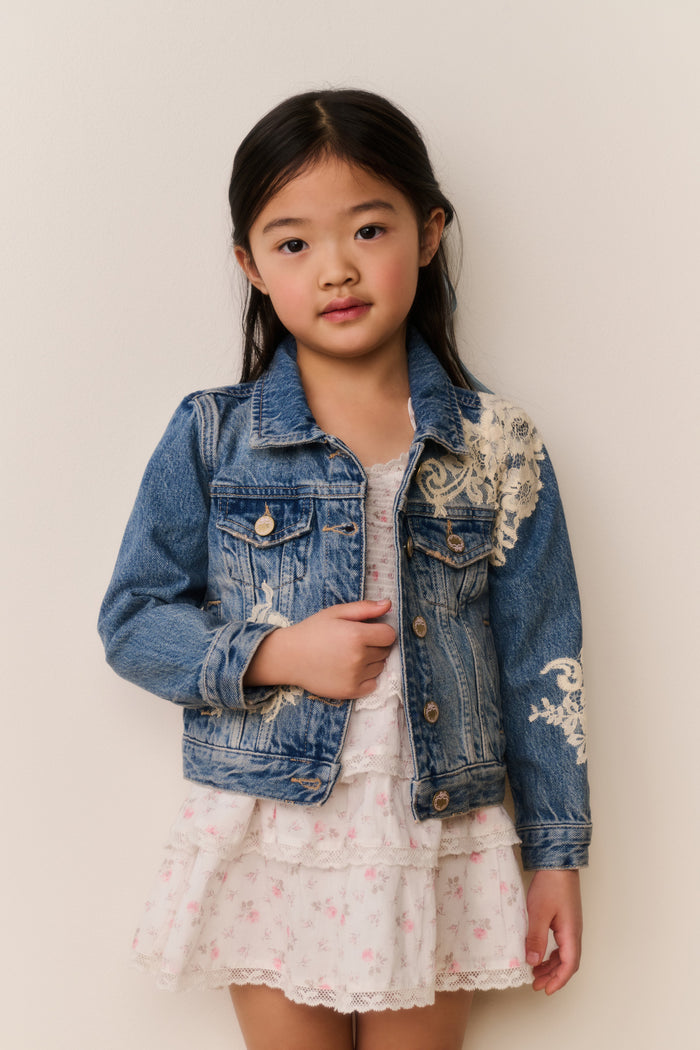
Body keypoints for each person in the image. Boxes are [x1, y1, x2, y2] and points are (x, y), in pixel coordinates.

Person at [98, 89, 591, 1049]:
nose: (336, 268)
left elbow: (544, 660)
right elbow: (133, 619)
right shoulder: (214, 435)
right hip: (274, 829)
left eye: (369, 229)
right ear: (249, 264)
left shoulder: (498, 443)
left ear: (430, 231)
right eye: (293, 243)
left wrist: (557, 854)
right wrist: (274, 654)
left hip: (439, 831)